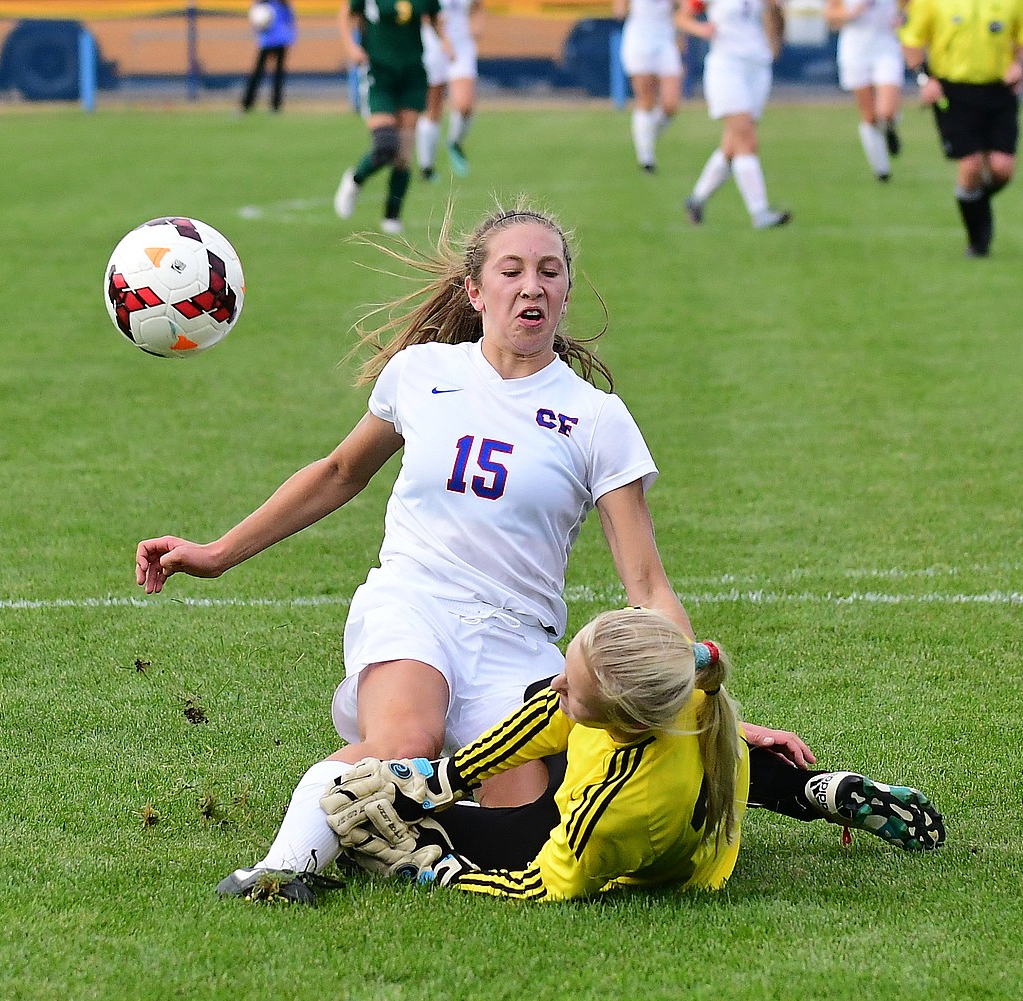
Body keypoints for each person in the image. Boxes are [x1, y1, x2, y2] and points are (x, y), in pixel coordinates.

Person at [136, 201, 818, 903]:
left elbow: (647, 587)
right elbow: (341, 472)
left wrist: (701, 705)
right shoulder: (421, 372)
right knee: (407, 739)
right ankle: (284, 869)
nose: (533, 286)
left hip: (517, 640)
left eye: (550, 272)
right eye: (512, 270)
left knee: (524, 827)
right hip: (414, 603)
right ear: (475, 290)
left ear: (565, 294)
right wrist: (216, 553)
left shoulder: (597, 418)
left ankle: (389, 832)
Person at [312, 611, 944, 905]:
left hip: (666, 849)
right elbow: (545, 716)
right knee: (541, 701)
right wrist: (446, 774)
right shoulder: (687, 696)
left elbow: (545, 885)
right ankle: (811, 791)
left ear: (621, 719)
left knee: (448, 831)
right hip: (693, 785)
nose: (559, 683)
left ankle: (434, 844)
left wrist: (437, 869)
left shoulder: (608, 813)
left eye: (575, 684)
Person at [900, 0, 1023, 258]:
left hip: (999, 90)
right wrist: (924, 79)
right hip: (953, 91)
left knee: (1002, 168)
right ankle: (978, 241)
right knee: (971, 165)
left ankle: (973, 202)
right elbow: (911, 39)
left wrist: (1019, 64)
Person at [333, 0, 452, 234]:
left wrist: (445, 41)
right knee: (386, 145)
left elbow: (435, 16)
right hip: (379, 72)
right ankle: (355, 179)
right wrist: (351, 46)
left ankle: (392, 215)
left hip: (412, 74)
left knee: (403, 154)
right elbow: (346, 13)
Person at [676, 0, 791, 229]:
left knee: (733, 144)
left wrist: (775, 39)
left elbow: (775, 14)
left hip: (757, 67)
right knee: (746, 140)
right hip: (726, 67)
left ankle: (697, 200)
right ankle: (760, 212)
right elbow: (682, 17)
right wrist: (702, 29)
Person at [825, 0, 906, 183]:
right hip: (855, 52)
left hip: (886, 48)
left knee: (886, 111)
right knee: (869, 116)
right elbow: (831, 16)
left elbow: (910, 6)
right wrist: (852, 13)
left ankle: (889, 127)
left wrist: (903, 18)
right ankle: (881, 170)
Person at [614, 0, 685, 174]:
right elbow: (619, 12)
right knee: (646, 99)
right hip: (639, 40)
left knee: (671, 104)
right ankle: (646, 158)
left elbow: (683, 9)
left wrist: (681, 35)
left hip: (665, 39)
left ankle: (646, 137)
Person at [416, 0, 481, 180]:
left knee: (464, 105)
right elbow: (423, 12)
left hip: (461, 44)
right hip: (432, 45)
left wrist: (476, 26)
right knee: (432, 107)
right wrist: (443, 40)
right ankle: (426, 167)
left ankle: (455, 141)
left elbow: (477, 6)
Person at [240, 0, 297, 115]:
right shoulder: (264, 4)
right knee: (259, 73)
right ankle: (247, 105)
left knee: (276, 74)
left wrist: (292, 35)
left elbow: (290, 19)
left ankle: (275, 106)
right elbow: (256, 18)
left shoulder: (281, 4)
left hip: (279, 40)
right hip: (268, 41)